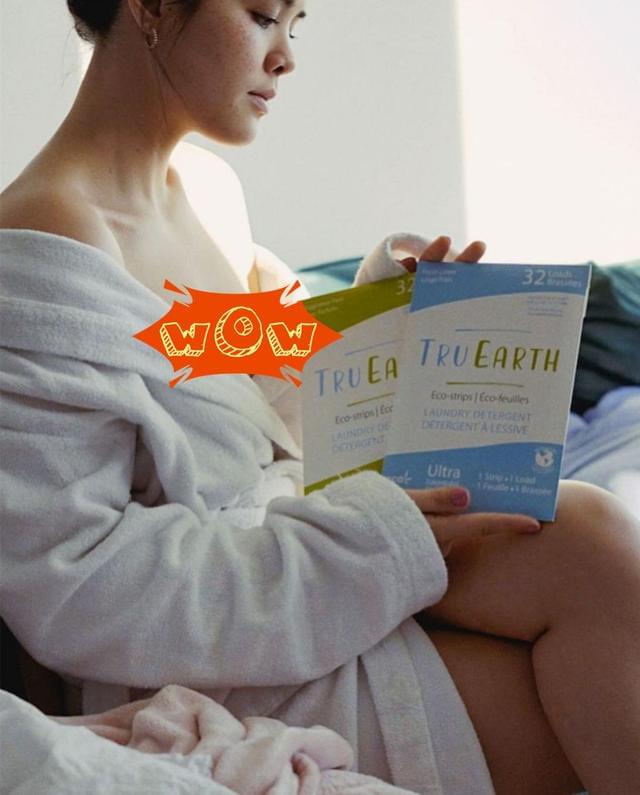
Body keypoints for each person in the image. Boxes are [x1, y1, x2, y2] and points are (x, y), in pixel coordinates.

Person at [0, 2, 638, 793]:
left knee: (591, 532)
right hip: (226, 648)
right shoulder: (42, 246)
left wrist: (383, 309)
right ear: (152, 7)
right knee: (589, 679)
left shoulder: (206, 191)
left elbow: (234, 357)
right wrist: (374, 536)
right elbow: (82, 588)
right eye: (262, 15)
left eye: (294, 23)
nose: (285, 57)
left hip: (320, 561)